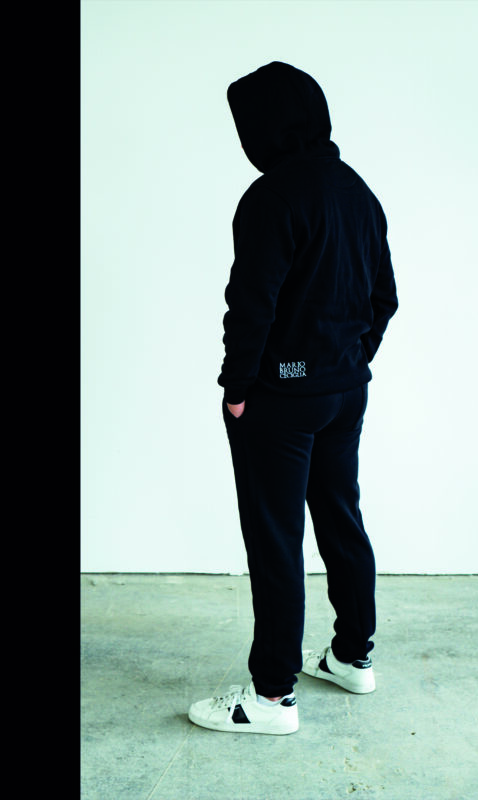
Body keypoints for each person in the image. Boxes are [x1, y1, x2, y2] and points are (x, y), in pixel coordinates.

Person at [188, 61, 398, 735]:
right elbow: (385, 298)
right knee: (341, 519)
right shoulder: (357, 190)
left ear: (265, 128)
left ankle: (272, 696)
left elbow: (251, 305)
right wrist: (347, 363)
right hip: (345, 391)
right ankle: (353, 657)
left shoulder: (270, 197)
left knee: (276, 539)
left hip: (278, 398)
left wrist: (237, 388)